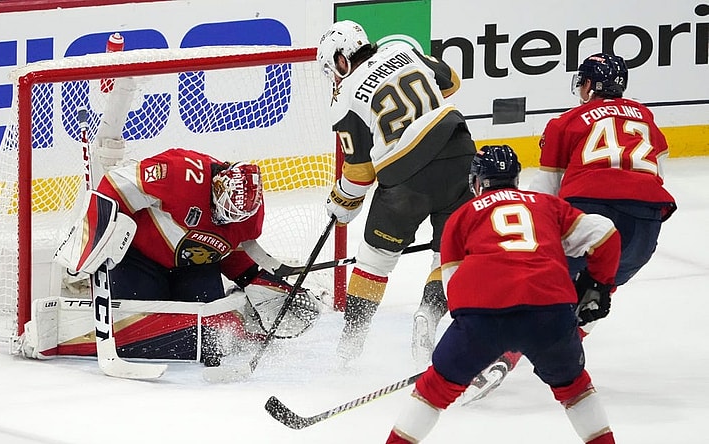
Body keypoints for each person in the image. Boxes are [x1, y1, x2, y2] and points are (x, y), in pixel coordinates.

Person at [462, 53, 679, 404]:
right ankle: (556, 352)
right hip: (645, 227)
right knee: (597, 292)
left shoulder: (566, 122)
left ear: (589, 85)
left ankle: (499, 353)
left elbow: (546, 190)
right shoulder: (646, 118)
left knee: (536, 281)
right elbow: (657, 172)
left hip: (590, 211)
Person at [386, 145, 621, 444]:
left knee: (434, 390)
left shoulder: (461, 216)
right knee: (575, 389)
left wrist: (474, 346)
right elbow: (605, 234)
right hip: (549, 310)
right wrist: (598, 285)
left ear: (476, 181)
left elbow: (453, 288)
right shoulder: (547, 204)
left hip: (484, 317)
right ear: (515, 178)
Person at [50, 147, 321, 366]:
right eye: (223, 211)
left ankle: (239, 321)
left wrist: (253, 278)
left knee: (213, 334)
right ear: (218, 185)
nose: (224, 220)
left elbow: (225, 249)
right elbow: (116, 184)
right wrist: (94, 235)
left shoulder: (249, 217)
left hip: (195, 267)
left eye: (232, 217)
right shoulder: (180, 172)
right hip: (138, 258)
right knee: (139, 325)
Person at [315, 20, 476, 366]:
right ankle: (429, 312)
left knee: (375, 260)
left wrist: (341, 202)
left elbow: (360, 174)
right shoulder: (404, 50)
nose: (335, 80)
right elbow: (452, 81)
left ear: (342, 60)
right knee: (450, 255)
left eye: (333, 71)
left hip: (406, 179)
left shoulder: (345, 97)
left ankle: (350, 345)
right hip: (459, 153)